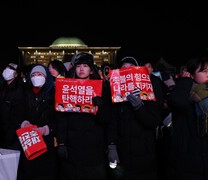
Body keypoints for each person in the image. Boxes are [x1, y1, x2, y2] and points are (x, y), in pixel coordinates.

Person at [166, 57, 208, 180]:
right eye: (204, 71)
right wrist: (185, 81)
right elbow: (177, 102)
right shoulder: (184, 91)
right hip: (188, 157)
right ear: (192, 74)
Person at [56, 52, 111, 180]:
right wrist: (62, 142)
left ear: (91, 70)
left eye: (85, 66)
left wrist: (100, 107)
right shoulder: (66, 88)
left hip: (94, 147)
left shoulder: (102, 88)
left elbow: (106, 119)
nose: (81, 69)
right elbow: (61, 118)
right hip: (71, 145)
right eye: (78, 66)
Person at [107, 56, 161, 180]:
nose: (127, 70)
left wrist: (139, 107)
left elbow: (153, 121)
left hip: (144, 155)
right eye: (123, 68)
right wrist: (111, 145)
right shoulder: (115, 96)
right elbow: (112, 122)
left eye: (131, 68)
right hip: (122, 153)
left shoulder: (148, 91)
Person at [18, 64, 57, 180]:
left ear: (46, 77)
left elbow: (59, 119)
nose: (36, 77)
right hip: (28, 141)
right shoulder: (24, 93)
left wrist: (46, 129)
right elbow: (18, 113)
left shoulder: (53, 94)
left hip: (47, 143)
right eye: (33, 75)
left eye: (39, 74)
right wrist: (23, 123)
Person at [0, 63, 27, 150]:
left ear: (16, 74)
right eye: (6, 68)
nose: (7, 70)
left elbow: (20, 113)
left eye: (11, 69)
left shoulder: (20, 89)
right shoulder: (1, 87)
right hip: (0, 131)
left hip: (12, 134)